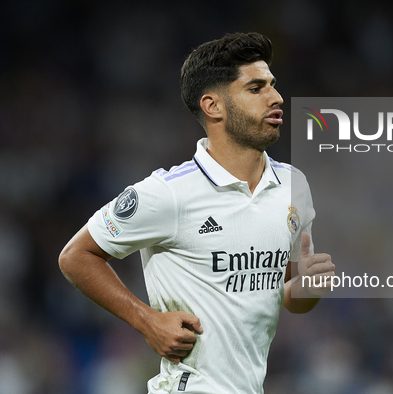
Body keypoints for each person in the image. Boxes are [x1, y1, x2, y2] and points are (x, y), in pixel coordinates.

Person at [58, 32, 335, 393]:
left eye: (272, 85)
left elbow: (282, 292)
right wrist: (148, 321)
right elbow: (75, 256)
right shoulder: (168, 193)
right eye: (256, 88)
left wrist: (307, 288)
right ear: (213, 106)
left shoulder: (292, 186)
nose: (276, 97)